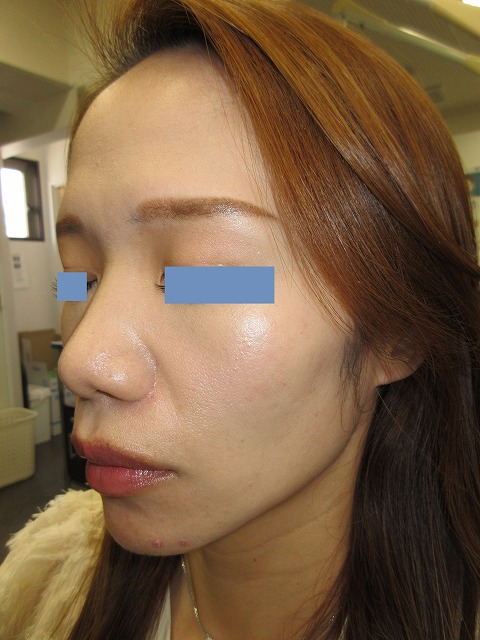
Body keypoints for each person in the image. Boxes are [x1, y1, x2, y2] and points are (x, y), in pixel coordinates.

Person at [1, 0, 479, 638]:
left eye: (201, 275)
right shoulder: (41, 592)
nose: (82, 361)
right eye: (81, 276)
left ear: (397, 333)